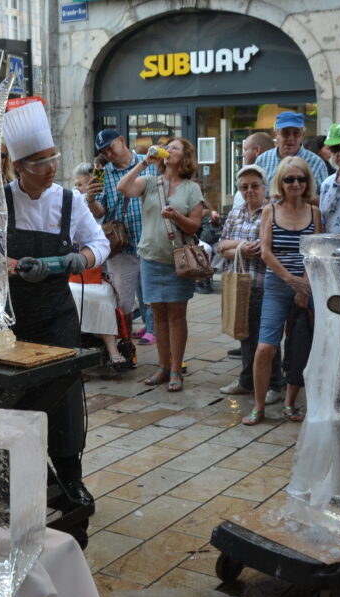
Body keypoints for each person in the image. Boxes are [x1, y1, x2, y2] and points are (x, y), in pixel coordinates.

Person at [4, 101, 109, 506]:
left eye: (53, 160)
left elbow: (99, 242)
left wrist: (81, 259)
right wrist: (10, 266)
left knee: (63, 399)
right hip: (10, 319)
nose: (50, 170)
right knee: (9, 397)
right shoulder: (1, 202)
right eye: (40, 164)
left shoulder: (69, 201)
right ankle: (13, 477)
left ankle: (69, 479)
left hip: (57, 316)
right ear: (19, 169)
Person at [117, 137, 205, 393]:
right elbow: (124, 187)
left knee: (177, 316)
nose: (169, 149)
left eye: (175, 147)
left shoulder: (191, 189)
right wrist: (145, 161)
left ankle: (176, 369)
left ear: (185, 156)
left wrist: (176, 216)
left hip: (178, 261)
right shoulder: (151, 182)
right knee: (158, 317)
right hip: (151, 259)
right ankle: (163, 367)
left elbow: (194, 225)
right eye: (169, 147)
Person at [243, 156, 321, 425]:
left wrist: (304, 284)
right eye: (289, 179)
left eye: (301, 178)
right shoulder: (270, 211)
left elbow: (315, 253)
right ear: (281, 182)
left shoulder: (315, 213)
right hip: (278, 283)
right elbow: (265, 252)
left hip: (306, 285)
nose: (296, 183)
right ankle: (259, 405)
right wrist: (291, 280)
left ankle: (290, 403)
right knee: (265, 347)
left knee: (299, 345)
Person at [216, 165, 283, 404]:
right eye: (244, 187)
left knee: (266, 337)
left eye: (255, 185)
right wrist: (242, 246)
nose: (249, 191)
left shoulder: (273, 210)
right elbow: (221, 247)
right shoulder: (236, 212)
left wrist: (237, 247)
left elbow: (264, 249)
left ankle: (274, 383)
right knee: (244, 334)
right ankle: (247, 380)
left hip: (266, 283)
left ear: (265, 187)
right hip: (241, 284)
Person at [89, 128, 156, 346]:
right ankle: (126, 343)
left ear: (121, 140)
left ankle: (158, 339)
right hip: (121, 247)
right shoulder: (101, 173)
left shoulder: (148, 163)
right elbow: (99, 212)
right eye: (104, 152)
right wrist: (90, 200)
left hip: (151, 243)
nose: (109, 154)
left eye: (111, 147)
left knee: (154, 298)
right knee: (124, 301)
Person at [254, 110, 329, 187]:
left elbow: (323, 197)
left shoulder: (316, 163)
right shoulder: (262, 161)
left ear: (303, 135)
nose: (291, 138)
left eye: (296, 133)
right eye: (285, 133)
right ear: (276, 134)